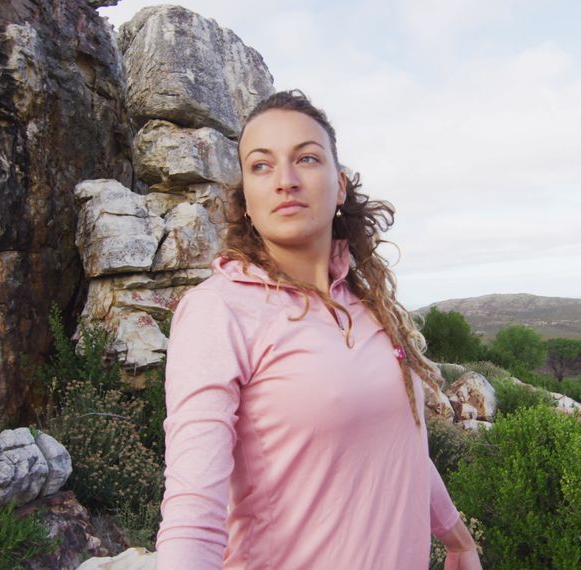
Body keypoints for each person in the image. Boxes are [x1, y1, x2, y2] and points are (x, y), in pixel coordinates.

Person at [156, 90, 482, 570]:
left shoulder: (368, 304)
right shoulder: (219, 310)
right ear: (246, 199)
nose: (285, 181)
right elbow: (193, 509)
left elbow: (400, 444)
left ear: (341, 185)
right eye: (261, 166)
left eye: (306, 158)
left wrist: (457, 540)